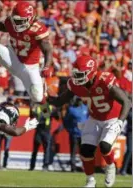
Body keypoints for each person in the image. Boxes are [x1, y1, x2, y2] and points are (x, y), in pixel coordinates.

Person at [48, 55, 131, 187]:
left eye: (81, 74)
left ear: (91, 72)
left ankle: (110, 166)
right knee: (86, 150)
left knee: (105, 147)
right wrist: (44, 98)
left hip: (112, 118)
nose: (77, 78)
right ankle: (90, 181)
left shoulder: (104, 80)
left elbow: (127, 102)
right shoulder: (76, 85)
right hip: (94, 118)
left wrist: (119, 122)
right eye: (76, 74)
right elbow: (60, 101)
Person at [63, 96, 88, 172]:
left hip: (83, 134)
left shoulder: (86, 108)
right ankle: (73, 168)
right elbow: (66, 121)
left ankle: (85, 167)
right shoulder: (71, 110)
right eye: (78, 100)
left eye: (80, 100)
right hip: (74, 134)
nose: (79, 101)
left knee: (84, 152)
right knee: (73, 152)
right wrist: (69, 130)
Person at [29, 102, 55, 171]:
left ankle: (45, 166)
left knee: (46, 149)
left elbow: (44, 117)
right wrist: (31, 110)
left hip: (46, 130)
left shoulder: (46, 107)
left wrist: (34, 112)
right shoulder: (37, 106)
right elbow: (31, 116)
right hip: (39, 130)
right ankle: (32, 166)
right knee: (35, 149)